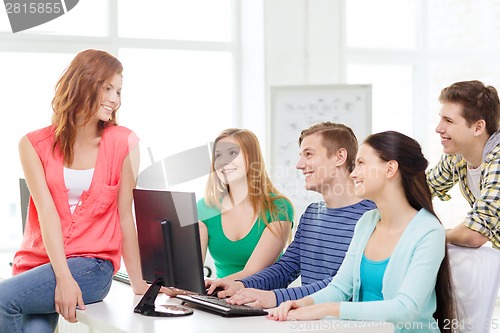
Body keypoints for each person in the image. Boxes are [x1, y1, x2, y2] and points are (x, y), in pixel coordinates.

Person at [0, 49, 148, 333]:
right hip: (36, 266)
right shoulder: (33, 144)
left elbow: (125, 216)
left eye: (118, 91)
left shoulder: (123, 142)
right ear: (83, 83)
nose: (115, 99)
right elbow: (47, 214)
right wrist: (62, 278)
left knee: (3, 299)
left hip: (91, 267)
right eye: (108, 88)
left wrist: (138, 282)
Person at [267, 131, 456, 333]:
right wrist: (303, 303)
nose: (354, 173)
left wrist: (328, 309)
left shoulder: (429, 231)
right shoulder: (367, 222)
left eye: (362, 164)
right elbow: (340, 287)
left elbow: (405, 309)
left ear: (390, 168)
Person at [205, 122, 376, 309]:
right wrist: (241, 284)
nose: (299, 165)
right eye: (300, 156)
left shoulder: (372, 217)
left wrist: (275, 297)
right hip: (308, 321)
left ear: (339, 157)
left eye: (309, 154)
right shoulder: (312, 214)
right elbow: (285, 269)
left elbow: (341, 285)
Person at [197, 128, 294, 280]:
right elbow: (191, 272)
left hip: (264, 299)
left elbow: (253, 272)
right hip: (219, 298)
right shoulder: (205, 207)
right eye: (218, 156)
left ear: (252, 158)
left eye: (232, 153)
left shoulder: (278, 207)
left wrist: (213, 285)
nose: (223, 162)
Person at [427, 80, 500, 249]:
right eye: (441, 119)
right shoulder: (457, 156)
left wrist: (429, 237)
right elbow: (422, 188)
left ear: (478, 127)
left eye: (448, 121)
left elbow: (474, 234)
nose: (439, 128)